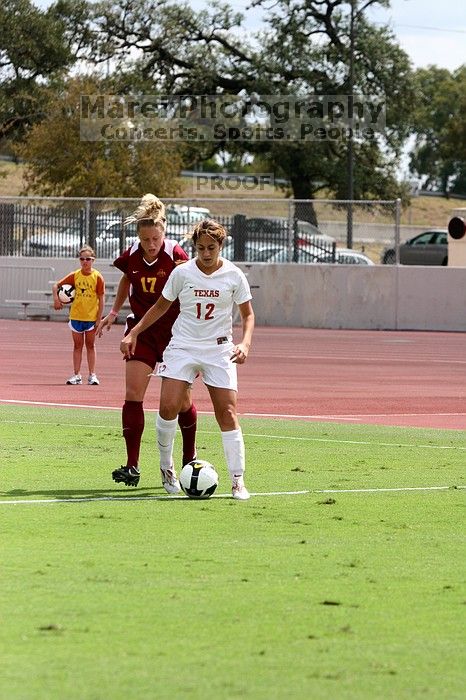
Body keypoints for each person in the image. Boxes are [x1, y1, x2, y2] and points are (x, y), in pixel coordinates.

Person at [120, 218, 255, 501]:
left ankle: (238, 480)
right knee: (168, 406)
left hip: (219, 350)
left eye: (211, 248)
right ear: (194, 247)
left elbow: (247, 314)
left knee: (227, 413)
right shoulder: (182, 273)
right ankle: (167, 469)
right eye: (201, 248)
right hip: (182, 346)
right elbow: (160, 306)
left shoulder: (234, 275)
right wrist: (134, 333)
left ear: (221, 245)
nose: (206, 253)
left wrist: (244, 343)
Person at [97, 193, 197, 492]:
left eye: (155, 238)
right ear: (139, 237)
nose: (151, 244)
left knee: (181, 402)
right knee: (133, 394)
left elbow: (192, 281)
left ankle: (190, 459)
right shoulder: (132, 254)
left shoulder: (176, 254)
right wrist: (114, 312)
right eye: (145, 239)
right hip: (140, 332)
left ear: (163, 234)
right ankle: (132, 465)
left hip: (176, 337)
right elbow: (128, 277)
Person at [53, 245, 105, 386]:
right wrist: (57, 299)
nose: (85, 261)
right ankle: (76, 375)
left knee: (90, 345)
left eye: (88, 259)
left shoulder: (97, 277)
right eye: (82, 259)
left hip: (90, 318)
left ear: (93, 260)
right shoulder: (75, 275)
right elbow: (56, 285)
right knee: (77, 346)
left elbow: (101, 299)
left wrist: (99, 319)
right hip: (76, 316)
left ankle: (92, 375)